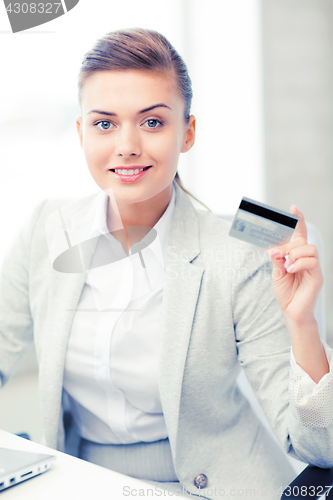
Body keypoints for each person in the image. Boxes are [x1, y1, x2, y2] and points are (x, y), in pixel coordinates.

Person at [1, 27, 333, 500]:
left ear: (188, 132)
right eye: (104, 123)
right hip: (81, 482)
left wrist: (302, 325)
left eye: (153, 122)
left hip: (216, 487)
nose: (127, 145)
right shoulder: (46, 228)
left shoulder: (239, 256)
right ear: (81, 133)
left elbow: (320, 449)